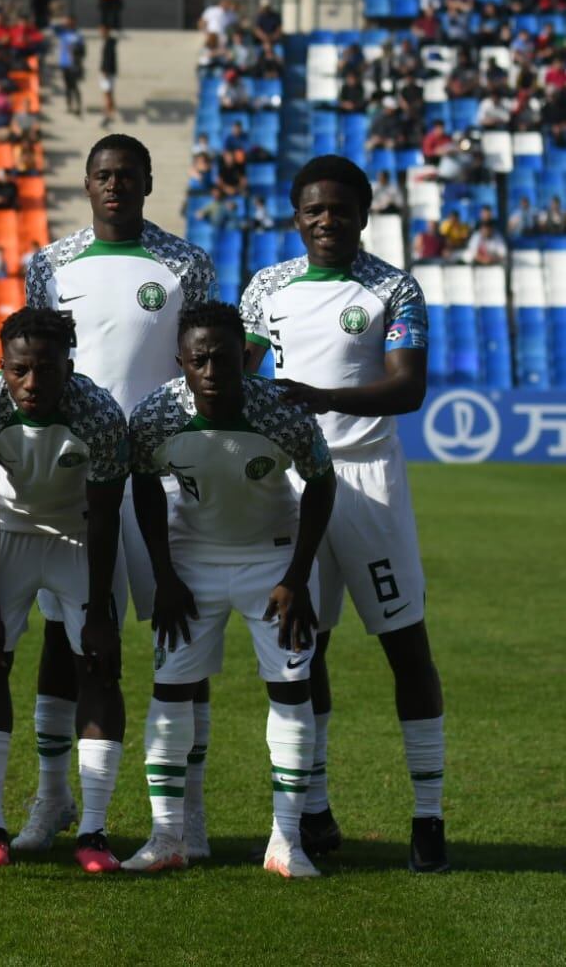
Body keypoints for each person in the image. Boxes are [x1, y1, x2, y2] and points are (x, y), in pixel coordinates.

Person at [241, 156, 448, 872]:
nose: (325, 220)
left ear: (362, 215)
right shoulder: (266, 287)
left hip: (368, 483)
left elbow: (406, 388)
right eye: (312, 210)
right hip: (294, 487)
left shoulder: (393, 286)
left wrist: (321, 398)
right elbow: (233, 372)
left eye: (339, 209)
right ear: (295, 216)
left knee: (404, 645)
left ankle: (427, 816)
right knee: (305, 645)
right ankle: (316, 807)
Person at [23, 133, 217, 857]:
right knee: (61, 637)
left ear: (146, 183)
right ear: (86, 182)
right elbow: (34, 359)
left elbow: (198, 360)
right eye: (103, 175)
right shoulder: (49, 264)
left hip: (165, 474)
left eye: (127, 176)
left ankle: (185, 813)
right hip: (76, 479)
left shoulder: (184, 264)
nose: (115, 186)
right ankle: (51, 798)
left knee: (182, 637)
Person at [122, 300, 335, 878]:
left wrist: (298, 576)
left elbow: (321, 484)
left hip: (274, 562)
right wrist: (164, 576)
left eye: (223, 358)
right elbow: (144, 489)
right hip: (192, 561)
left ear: (245, 357)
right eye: (199, 360)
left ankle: (285, 841)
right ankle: (169, 836)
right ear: (181, 364)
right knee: (171, 692)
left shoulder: (282, 412)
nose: (212, 371)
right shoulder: (156, 414)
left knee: (291, 692)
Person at [0, 309, 129, 872]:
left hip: (80, 533)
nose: (32, 384)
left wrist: (100, 610)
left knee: (99, 664)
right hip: (10, 532)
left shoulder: (99, 413)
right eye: (20, 370)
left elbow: (105, 519)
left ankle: (94, 834)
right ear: (0, 365)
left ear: (68, 368)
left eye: (46, 371)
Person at [56, 17, 85, 116]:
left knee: (74, 86)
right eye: (67, 22)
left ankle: (78, 106)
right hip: (64, 63)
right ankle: (69, 105)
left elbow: (83, 51)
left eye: (71, 22)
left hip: (74, 64)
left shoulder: (78, 35)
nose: (69, 24)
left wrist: (76, 54)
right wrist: (61, 22)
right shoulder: (63, 33)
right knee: (67, 86)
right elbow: (53, 27)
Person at [98, 28, 118, 129]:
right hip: (110, 72)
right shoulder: (109, 42)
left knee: (107, 94)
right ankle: (111, 111)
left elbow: (108, 58)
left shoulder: (109, 43)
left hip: (108, 73)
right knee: (109, 93)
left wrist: (106, 70)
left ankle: (107, 114)